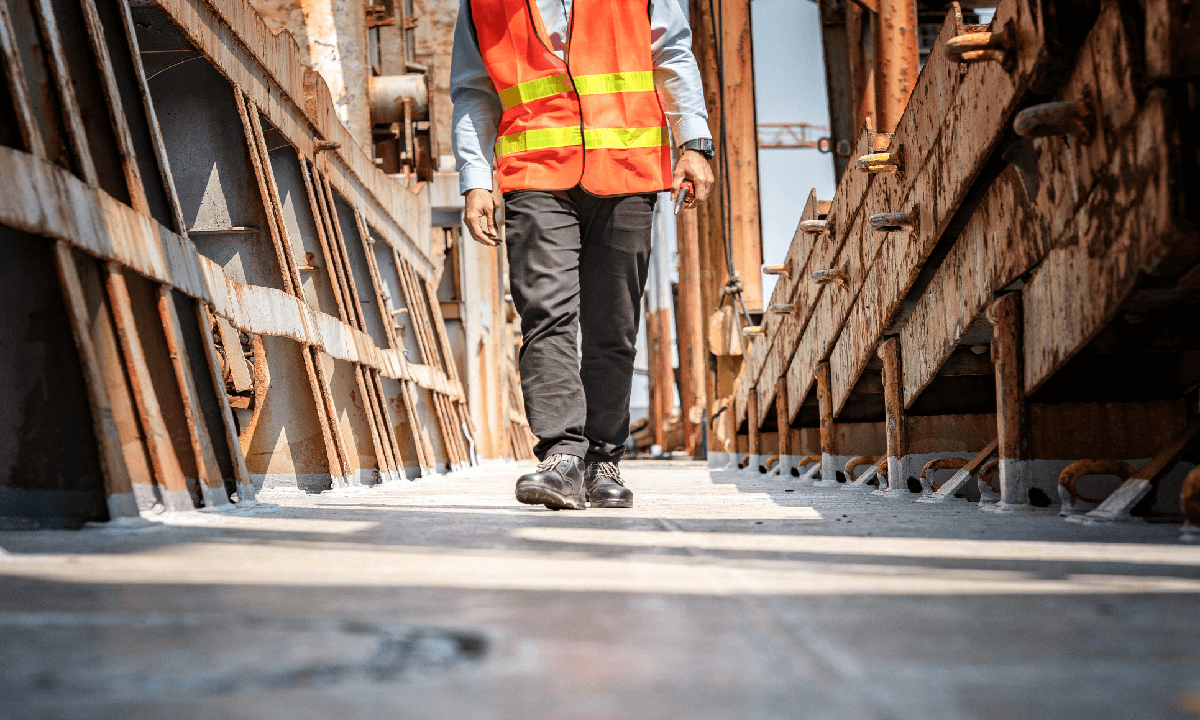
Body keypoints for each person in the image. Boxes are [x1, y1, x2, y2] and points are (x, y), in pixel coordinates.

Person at [450, 0, 714, 509]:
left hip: (628, 170)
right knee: (546, 312)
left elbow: (673, 55)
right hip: (535, 174)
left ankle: (602, 461)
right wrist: (476, 180)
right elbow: (473, 89)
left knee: (612, 326)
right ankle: (561, 457)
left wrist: (694, 144)